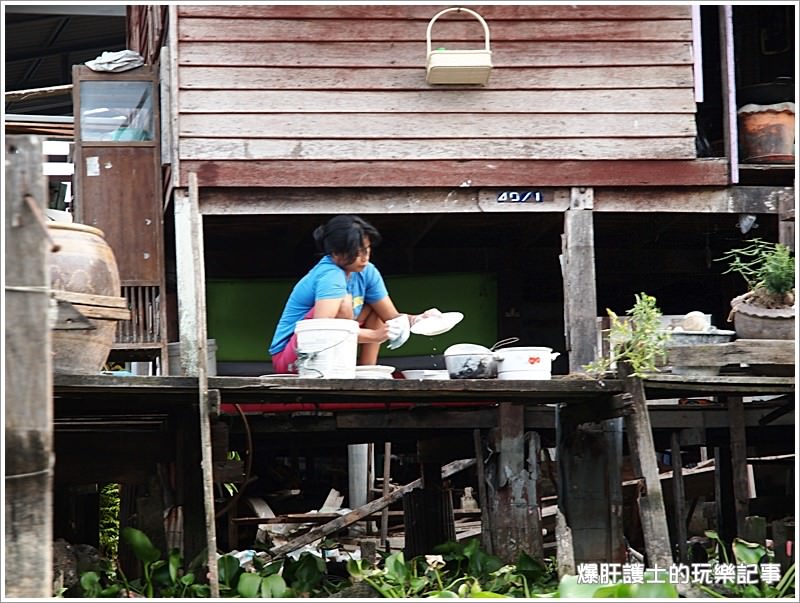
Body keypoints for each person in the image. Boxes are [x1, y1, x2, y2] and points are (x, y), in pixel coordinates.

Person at [269, 215, 439, 373]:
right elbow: (322, 331)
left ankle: (367, 371)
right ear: (335, 253)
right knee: (344, 302)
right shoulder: (330, 275)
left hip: (328, 349)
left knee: (376, 310)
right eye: (356, 253)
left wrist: (419, 319)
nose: (364, 258)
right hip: (294, 358)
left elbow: (393, 318)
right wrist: (375, 336)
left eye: (367, 250)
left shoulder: (368, 272)